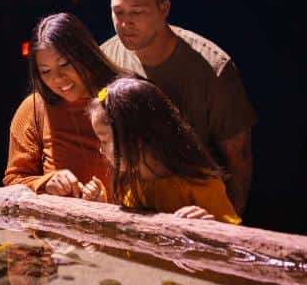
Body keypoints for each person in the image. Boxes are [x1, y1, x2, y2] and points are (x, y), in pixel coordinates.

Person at [101, 0, 257, 214]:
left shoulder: (212, 67)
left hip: (196, 209)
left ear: (164, 9)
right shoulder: (104, 59)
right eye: (117, 12)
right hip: (133, 206)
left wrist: (228, 226)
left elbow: (239, 155)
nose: (124, 23)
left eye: (136, 12)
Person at [83, 77, 241, 224]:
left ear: (136, 139)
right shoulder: (128, 180)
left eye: (104, 140)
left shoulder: (201, 184)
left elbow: (237, 243)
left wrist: (208, 224)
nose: (101, 149)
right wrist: (102, 206)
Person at [3, 13, 123, 198]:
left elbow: (157, 173)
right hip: (55, 225)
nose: (57, 78)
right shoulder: (35, 108)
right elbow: (13, 180)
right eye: (46, 71)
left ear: (85, 54)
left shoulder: (123, 98)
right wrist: (45, 182)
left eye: (65, 64)